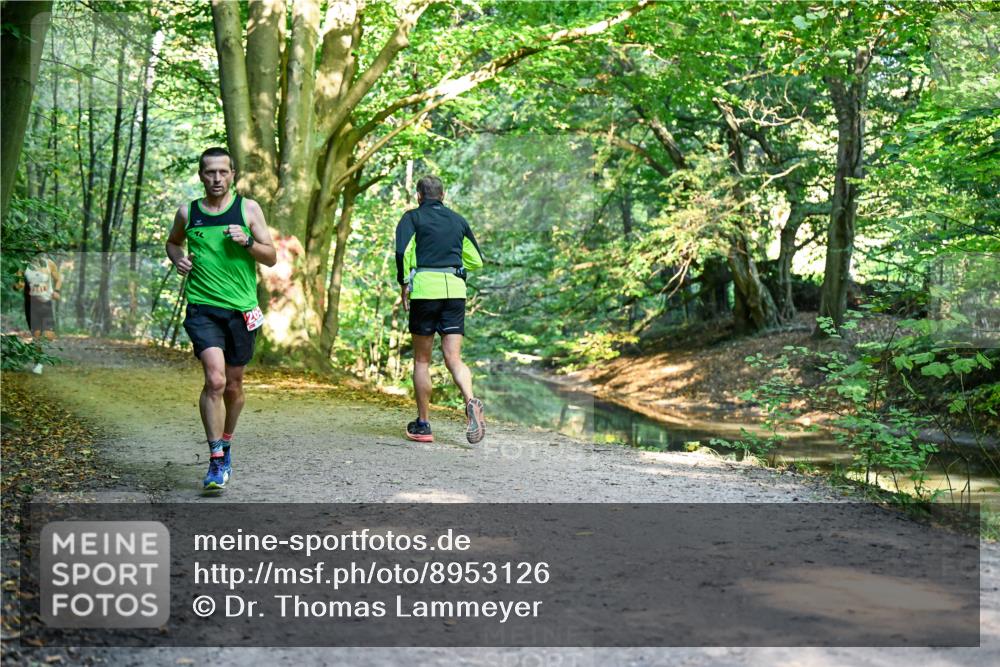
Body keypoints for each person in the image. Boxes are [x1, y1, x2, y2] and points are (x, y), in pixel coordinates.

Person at [165, 147, 276, 491]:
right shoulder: (189, 212)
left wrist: (247, 243)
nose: (216, 179)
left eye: (223, 172)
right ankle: (215, 458)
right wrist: (178, 259)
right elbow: (172, 243)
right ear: (201, 175)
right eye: (210, 172)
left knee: (233, 385)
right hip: (203, 308)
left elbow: (270, 256)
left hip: (241, 310)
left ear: (232, 175)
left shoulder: (248, 209)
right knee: (214, 380)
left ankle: (226, 441)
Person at [394, 174, 486, 444]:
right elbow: (476, 260)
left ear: (418, 196)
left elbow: (403, 252)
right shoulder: (459, 220)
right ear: (443, 195)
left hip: (425, 291)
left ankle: (423, 425)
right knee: (453, 358)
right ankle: (470, 401)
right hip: (455, 292)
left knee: (422, 360)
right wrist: (457, 268)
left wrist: (404, 282)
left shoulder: (411, 218)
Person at [15, 253, 62, 374]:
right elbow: (18, 285)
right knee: (36, 335)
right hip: (31, 305)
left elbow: (58, 278)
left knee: (49, 335)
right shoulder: (23, 266)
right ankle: (38, 362)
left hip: (46, 304)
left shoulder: (49, 263)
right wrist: (17, 285)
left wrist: (56, 291)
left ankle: (39, 356)